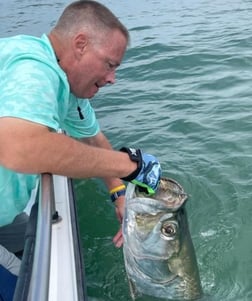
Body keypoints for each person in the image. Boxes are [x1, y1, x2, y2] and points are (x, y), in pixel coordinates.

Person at [0, 0, 161, 253]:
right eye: (110, 65)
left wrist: (119, 193)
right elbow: (19, 148)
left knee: (32, 250)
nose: (112, 79)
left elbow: (92, 138)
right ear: (80, 44)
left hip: (5, 217)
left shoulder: (69, 88)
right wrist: (131, 166)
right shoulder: (33, 67)